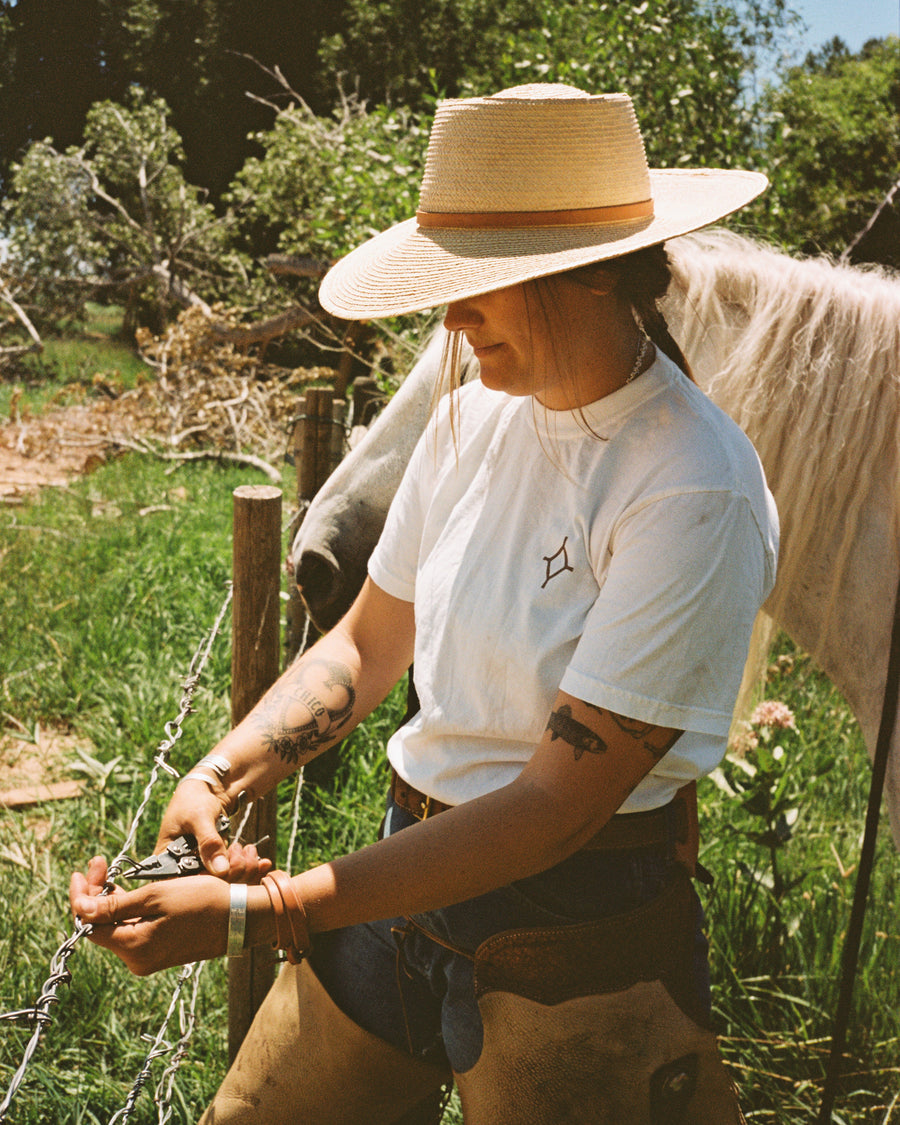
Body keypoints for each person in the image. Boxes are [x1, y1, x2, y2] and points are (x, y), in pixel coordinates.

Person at [70, 84, 777, 1124]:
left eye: (479, 282)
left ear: (590, 273)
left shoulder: (693, 486)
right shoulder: (470, 418)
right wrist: (220, 774)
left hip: (577, 925)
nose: (450, 316)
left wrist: (260, 913)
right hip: (397, 870)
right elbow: (368, 640)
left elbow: (554, 811)